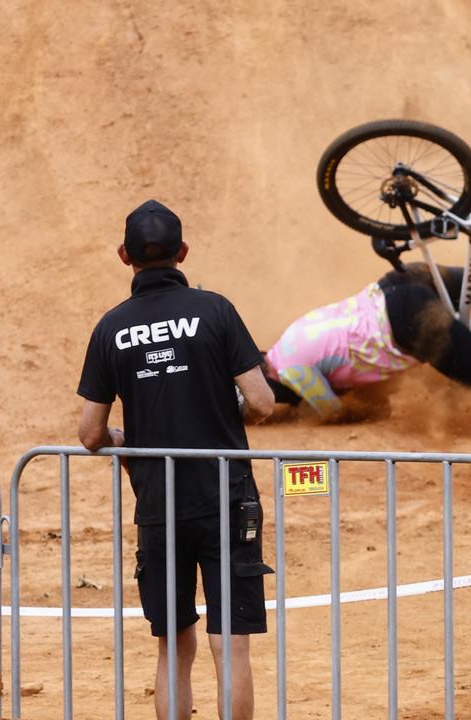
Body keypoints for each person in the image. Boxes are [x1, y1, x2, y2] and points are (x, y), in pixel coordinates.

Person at [76, 200, 275, 720]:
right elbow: (261, 402)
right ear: (183, 252)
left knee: (173, 648)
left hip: (159, 504)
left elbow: (89, 432)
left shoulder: (111, 328)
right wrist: (219, 413)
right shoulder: (215, 310)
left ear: (125, 256)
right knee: (229, 644)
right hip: (226, 497)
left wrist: (127, 439)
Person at [264, 248, 471, 418]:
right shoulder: (288, 339)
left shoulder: (293, 372)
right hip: (396, 283)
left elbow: (333, 412)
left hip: (408, 320)